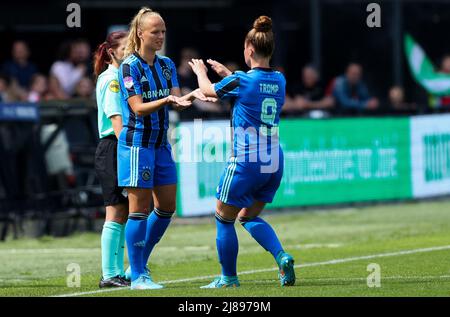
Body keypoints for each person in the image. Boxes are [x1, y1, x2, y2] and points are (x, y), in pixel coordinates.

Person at [189, 15, 296, 288]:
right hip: (273, 160)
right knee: (248, 216)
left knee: (223, 219)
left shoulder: (241, 80)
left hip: (247, 159)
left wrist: (202, 72)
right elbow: (254, 87)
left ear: (249, 49)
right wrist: (229, 75)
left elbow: (208, 92)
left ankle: (228, 278)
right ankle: (281, 256)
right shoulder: (280, 80)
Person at [118, 7, 214, 290]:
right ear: (140, 33)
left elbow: (175, 97)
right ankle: (137, 276)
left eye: (163, 32)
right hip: (137, 145)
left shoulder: (167, 65)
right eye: (155, 32)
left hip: (161, 144)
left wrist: (191, 96)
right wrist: (167, 101)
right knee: (138, 210)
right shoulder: (129, 67)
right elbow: (137, 107)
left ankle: (137, 265)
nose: (160, 36)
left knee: (167, 207)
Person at [93, 31, 130, 288]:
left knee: (125, 211)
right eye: (126, 47)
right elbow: (116, 119)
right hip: (114, 147)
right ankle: (109, 274)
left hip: (119, 147)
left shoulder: (122, 76)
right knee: (115, 210)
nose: (130, 51)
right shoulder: (111, 79)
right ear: (112, 51)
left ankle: (120, 273)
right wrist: (128, 150)